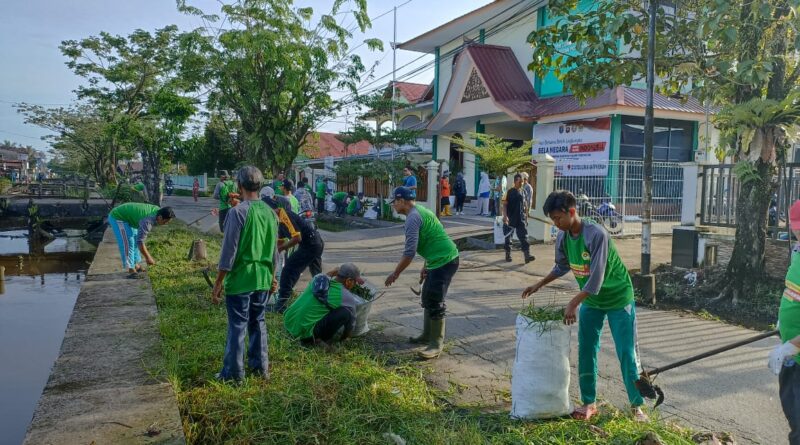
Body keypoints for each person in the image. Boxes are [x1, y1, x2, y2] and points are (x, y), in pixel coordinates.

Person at [521, 190, 647, 422]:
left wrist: (572, 304)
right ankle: (589, 402)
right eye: (553, 219)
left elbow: (596, 278)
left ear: (571, 211)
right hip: (591, 300)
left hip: (619, 298)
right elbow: (561, 266)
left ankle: (636, 406)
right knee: (586, 349)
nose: (556, 223)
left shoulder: (596, 235)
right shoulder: (563, 236)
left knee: (626, 352)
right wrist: (539, 284)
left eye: (558, 218)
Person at [212, 166, 279, 382]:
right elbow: (274, 252)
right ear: (260, 186)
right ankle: (260, 369)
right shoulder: (270, 213)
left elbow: (228, 253)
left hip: (241, 279)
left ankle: (233, 374)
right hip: (262, 278)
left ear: (239, 186)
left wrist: (218, 282)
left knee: (237, 325)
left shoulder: (237, 212)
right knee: (258, 322)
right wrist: (273, 277)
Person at [384, 186, 460, 359]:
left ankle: (436, 344)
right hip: (437, 259)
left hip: (446, 260)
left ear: (402, 201)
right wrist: (426, 265)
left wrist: (395, 274)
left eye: (394, 202)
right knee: (427, 297)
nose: (393, 206)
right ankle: (427, 335)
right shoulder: (420, 211)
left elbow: (409, 252)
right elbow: (433, 236)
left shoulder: (413, 218)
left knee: (435, 300)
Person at [261, 187, 325, 313]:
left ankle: (281, 305)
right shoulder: (275, 221)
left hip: (311, 243)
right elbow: (279, 243)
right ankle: (322, 302)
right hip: (314, 243)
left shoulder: (283, 215)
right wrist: (273, 254)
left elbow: (297, 238)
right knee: (317, 276)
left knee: (289, 270)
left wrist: (281, 248)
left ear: (272, 209)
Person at [769, 200, 800, 444]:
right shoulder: (798, 252)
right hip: (793, 355)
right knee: (793, 416)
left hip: (796, 353)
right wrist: (783, 321)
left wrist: (793, 345)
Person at [284, 263, 364, 348]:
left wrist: (332, 272)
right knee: (346, 313)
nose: (354, 285)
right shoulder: (346, 296)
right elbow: (351, 324)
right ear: (348, 281)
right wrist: (345, 337)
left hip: (288, 321)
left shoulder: (317, 278)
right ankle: (315, 340)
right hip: (303, 334)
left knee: (322, 305)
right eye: (354, 282)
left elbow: (326, 276)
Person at [108, 202, 175, 277]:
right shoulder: (147, 221)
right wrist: (148, 257)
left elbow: (139, 241)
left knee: (134, 240)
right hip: (118, 217)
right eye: (165, 221)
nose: (165, 224)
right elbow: (141, 242)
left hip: (129, 218)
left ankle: (135, 265)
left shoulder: (158, 211)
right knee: (128, 242)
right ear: (160, 217)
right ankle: (130, 269)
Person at [501, 173, 534, 264]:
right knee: (508, 237)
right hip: (511, 218)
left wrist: (526, 218)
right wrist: (505, 216)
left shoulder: (524, 191)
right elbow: (504, 205)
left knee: (524, 237)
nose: (521, 183)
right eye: (520, 182)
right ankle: (508, 254)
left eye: (522, 182)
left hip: (520, 218)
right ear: (515, 181)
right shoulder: (509, 192)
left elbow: (525, 205)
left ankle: (527, 255)